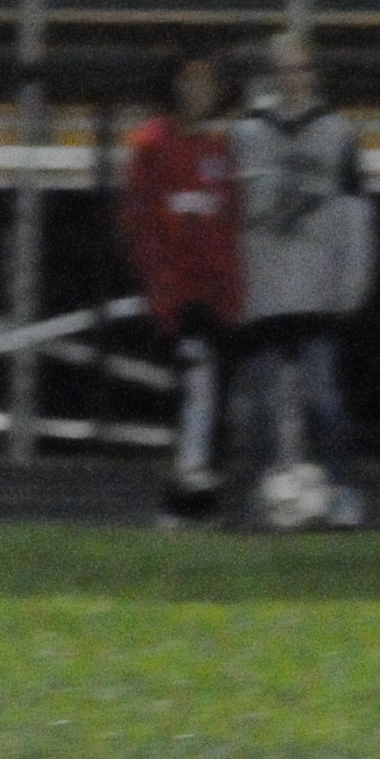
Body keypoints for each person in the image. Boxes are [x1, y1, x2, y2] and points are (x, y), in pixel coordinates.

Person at [227, 31, 377, 528]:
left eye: (301, 68)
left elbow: (357, 212)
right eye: (284, 69)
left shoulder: (337, 133)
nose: (293, 78)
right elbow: (231, 215)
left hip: (317, 290)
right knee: (262, 406)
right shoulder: (246, 133)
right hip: (264, 289)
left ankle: (341, 491)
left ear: (314, 73)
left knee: (324, 400)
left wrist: (352, 283)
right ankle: (266, 497)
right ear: (271, 75)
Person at [116, 48, 243, 526]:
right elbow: (140, 224)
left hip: (218, 295)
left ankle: (199, 498)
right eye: (189, 80)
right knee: (197, 387)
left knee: (209, 395)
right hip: (178, 294)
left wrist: (232, 290)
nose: (197, 91)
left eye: (206, 82)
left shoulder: (223, 148)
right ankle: (183, 495)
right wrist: (161, 288)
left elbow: (230, 224)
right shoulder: (153, 143)